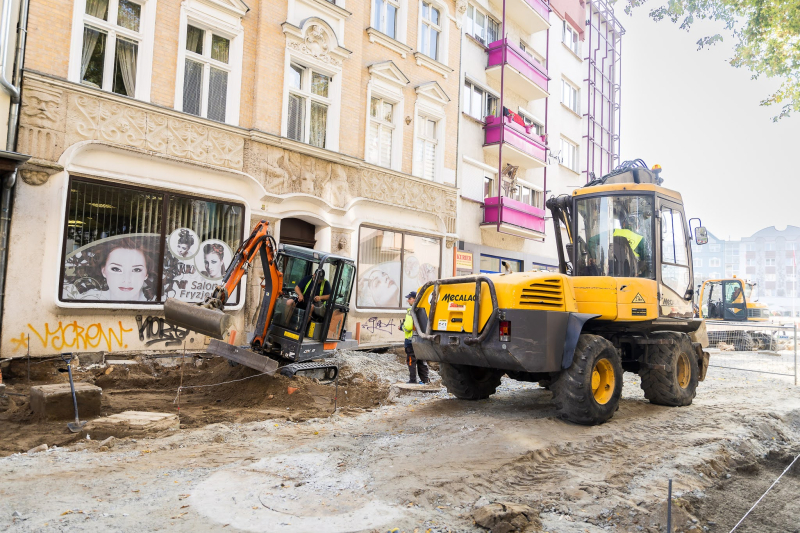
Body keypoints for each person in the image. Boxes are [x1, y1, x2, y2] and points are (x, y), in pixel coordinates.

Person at [399, 291, 429, 384]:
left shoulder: (410, 311)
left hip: (411, 340)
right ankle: (425, 380)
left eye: (410, 298)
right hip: (422, 340)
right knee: (421, 360)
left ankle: (412, 380)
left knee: (411, 360)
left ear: (415, 299)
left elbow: (408, 327)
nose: (408, 300)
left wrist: (402, 327)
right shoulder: (424, 309)